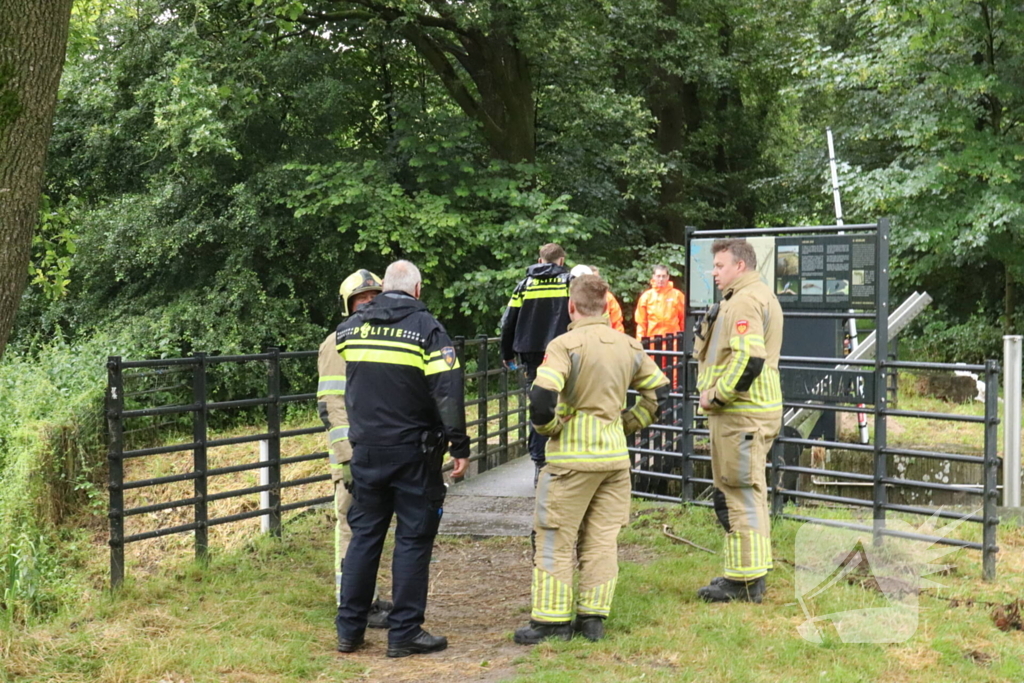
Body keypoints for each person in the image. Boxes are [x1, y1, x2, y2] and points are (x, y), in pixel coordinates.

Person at [514, 275, 670, 645]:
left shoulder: (565, 345)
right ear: (606, 306)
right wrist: (629, 423)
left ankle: (551, 623)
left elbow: (540, 398)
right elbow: (659, 393)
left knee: (556, 536)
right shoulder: (629, 345)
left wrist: (551, 428)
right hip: (614, 460)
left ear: (571, 306)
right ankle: (593, 620)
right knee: (602, 540)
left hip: (571, 461)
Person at [334, 260, 470, 657]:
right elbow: (448, 393)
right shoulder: (428, 331)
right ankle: (404, 633)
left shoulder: (348, 331)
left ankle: (349, 630)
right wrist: (459, 447)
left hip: (366, 451)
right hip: (415, 453)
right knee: (412, 539)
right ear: (416, 290)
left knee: (364, 538)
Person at [694, 239, 783, 603]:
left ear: (740, 266)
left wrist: (716, 395)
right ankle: (747, 573)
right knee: (745, 492)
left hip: (741, 413)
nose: (713, 273)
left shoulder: (745, 300)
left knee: (739, 493)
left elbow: (749, 360)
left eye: (719, 265)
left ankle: (745, 582)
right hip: (749, 411)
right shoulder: (754, 295)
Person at [317, 270, 393, 630]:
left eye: (375, 296)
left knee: (370, 529)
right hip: (351, 454)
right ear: (349, 306)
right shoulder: (336, 343)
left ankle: (368, 598)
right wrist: (346, 458)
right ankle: (351, 602)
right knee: (350, 525)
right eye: (362, 299)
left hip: (373, 450)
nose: (370, 303)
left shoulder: (376, 338)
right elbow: (332, 403)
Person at [500, 243, 572, 475]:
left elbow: (508, 322)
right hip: (564, 353)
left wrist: (507, 354)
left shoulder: (524, 286)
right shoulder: (569, 282)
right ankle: (564, 457)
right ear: (561, 261)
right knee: (567, 402)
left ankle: (540, 462)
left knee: (539, 404)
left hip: (532, 356)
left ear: (540, 261)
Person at [634, 265, 686, 385]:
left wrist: (683, 339)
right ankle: (655, 400)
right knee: (653, 374)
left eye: (663, 276)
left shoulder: (677, 296)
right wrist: (640, 342)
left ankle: (673, 400)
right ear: (653, 277)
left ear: (668, 277)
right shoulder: (647, 297)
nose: (661, 279)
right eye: (658, 276)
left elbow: (683, 320)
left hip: (673, 342)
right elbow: (641, 323)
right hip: (653, 342)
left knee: (674, 373)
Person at [587, 266, 624, 333]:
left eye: (597, 278)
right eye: (592, 278)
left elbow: (616, 322)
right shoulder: (579, 298)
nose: (595, 281)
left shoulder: (608, 297)